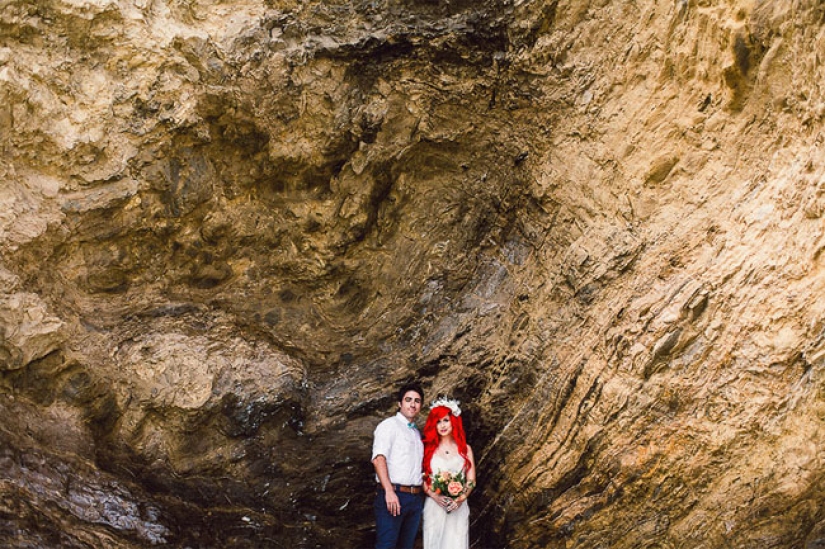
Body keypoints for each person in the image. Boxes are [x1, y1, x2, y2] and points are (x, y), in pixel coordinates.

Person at [372, 382, 426, 549]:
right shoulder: (389, 426)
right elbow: (378, 459)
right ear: (399, 403)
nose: (412, 404)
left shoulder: (417, 433)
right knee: (386, 545)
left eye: (417, 401)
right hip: (394, 495)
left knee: (406, 546)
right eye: (408, 400)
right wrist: (389, 491)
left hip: (415, 498)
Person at [421, 397, 476, 549]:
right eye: (438, 422)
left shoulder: (465, 449)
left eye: (446, 420)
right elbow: (421, 478)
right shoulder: (428, 449)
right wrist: (434, 496)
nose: (442, 425)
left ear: (453, 421)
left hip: (458, 507)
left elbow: (471, 480)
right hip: (435, 506)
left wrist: (461, 498)